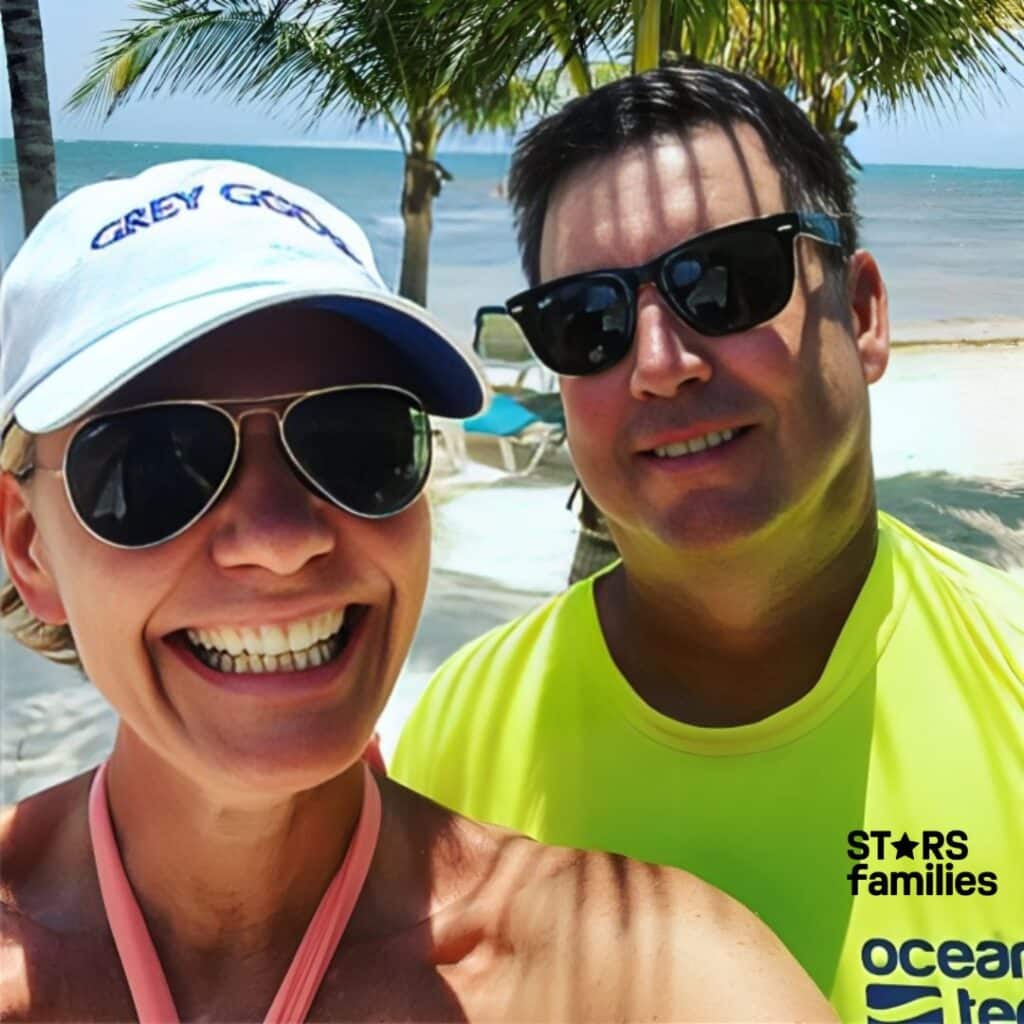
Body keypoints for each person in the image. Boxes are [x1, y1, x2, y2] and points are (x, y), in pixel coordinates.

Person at [0, 159, 834, 1022]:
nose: (283, 542)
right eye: (151, 464)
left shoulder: (627, 975)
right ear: (29, 548)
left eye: (356, 439)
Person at [392, 64, 1024, 1021]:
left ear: (861, 315)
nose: (658, 365)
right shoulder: (464, 737)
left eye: (725, 281)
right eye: (587, 319)